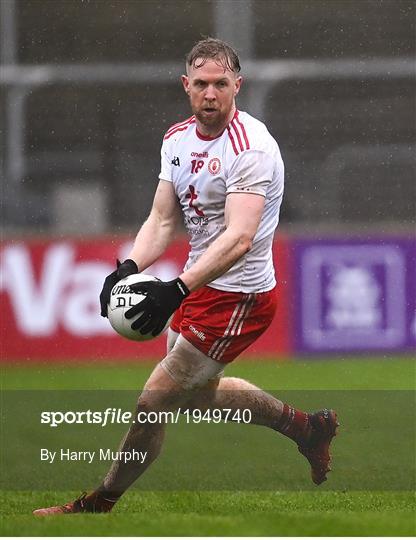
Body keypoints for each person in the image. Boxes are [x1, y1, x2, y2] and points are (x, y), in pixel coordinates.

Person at [33, 38, 338, 515]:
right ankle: (306, 428)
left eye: (221, 83)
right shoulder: (176, 139)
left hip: (240, 296)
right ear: (186, 86)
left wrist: (175, 288)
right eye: (201, 84)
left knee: (154, 401)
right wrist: (128, 269)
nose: (211, 93)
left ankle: (99, 503)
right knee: (196, 396)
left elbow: (239, 239)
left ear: (238, 85)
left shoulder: (252, 147)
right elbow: (162, 220)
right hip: (200, 288)